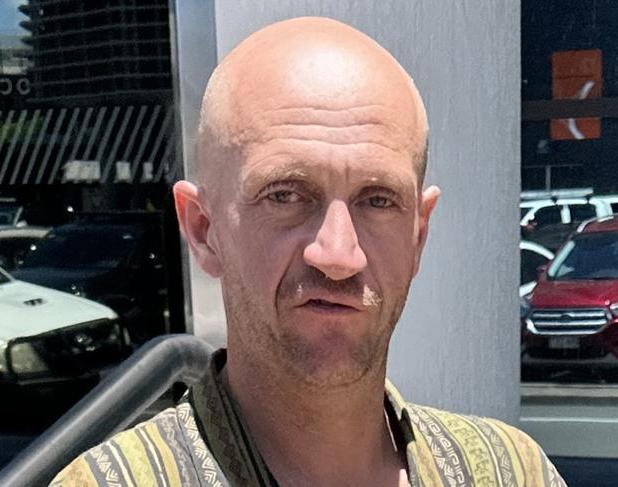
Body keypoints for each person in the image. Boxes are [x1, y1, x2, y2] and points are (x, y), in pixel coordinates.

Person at [51, 17, 566, 487]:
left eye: (378, 200)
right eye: (286, 195)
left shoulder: (513, 471)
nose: (338, 254)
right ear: (204, 230)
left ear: (418, 235)